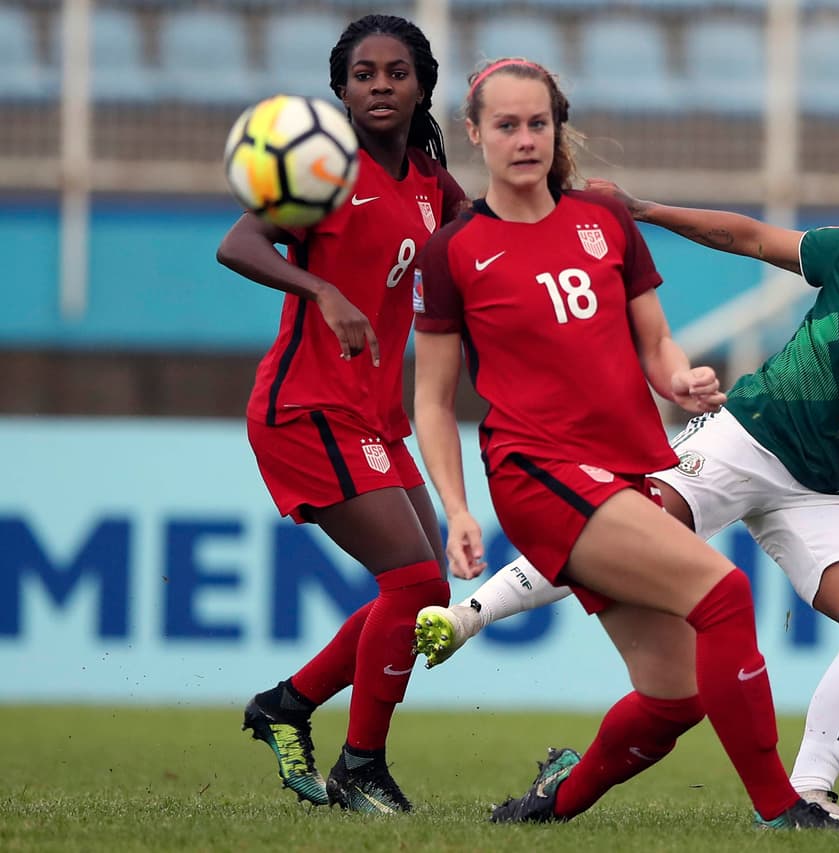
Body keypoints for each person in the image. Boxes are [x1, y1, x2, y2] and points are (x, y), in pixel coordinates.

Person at [414, 180, 839, 824]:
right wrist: (649, 211)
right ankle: (468, 616)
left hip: (832, 494)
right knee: (625, 523)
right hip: (747, 438)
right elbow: (750, 237)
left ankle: (810, 792)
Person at [411, 57, 839, 831]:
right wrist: (456, 507)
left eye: (538, 123)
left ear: (557, 129)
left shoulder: (603, 222)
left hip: (621, 468)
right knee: (725, 594)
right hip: (537, 471)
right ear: (473, 133)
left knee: (674, 696)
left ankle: (548, 805)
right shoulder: (454, 250)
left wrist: (680, 379)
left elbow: (656, 344)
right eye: (506, 125)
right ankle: (781, 807)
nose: (525, 139)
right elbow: (434, 400)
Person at [215, 14, 467, 813]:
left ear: (422, 83)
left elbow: (481, 243)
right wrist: (322, 289)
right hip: (306, 408)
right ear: (341, 91)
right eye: (364, 74)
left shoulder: (431, 181)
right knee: (416, 577)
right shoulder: (325, 170)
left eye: (396, 72)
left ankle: (287, 703)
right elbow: (239, 243)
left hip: (374, 416)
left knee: (425, 594)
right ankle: (361, 765)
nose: (381, 86)